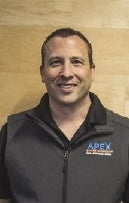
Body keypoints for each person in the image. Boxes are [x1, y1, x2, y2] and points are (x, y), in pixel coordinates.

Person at [0, 27, 129, 203]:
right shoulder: (11, 134)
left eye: (76, 62)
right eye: (55, 62)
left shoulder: (124, 136)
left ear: (92, 71)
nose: (67, 73)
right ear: (42, 73)